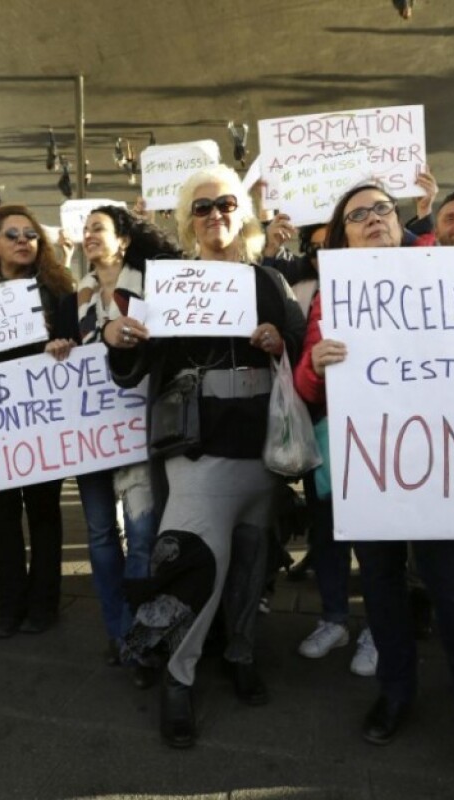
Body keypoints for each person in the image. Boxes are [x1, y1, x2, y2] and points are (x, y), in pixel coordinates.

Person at [293, 180, 454, 798]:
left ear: (400, 221)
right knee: (386, 587)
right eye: (357, 215)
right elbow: (306, 388)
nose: (373, 220)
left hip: (444, 467)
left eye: (381, 210)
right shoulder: (331, 298)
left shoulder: (448, 272)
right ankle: (396, 693)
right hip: (371, 470)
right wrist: (314, 366)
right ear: (342, 236)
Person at [104, 164, 306, 748]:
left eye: (225, 204)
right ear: (187, 221)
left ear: (241, 213)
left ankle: (240, 652)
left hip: (263, 446)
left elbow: (303, 348)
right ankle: (176, 676)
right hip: (197, 447)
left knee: (251, 564)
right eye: (202, 207)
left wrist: (280, 343)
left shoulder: (270, 280)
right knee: (192, 564)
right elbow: (132, 366)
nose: (215, 215)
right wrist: (118, 340)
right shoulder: (162, 281)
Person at [45, 205, 177, 666]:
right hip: (91, 438)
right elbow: (61, 357)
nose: (88, 236)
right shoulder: (71, 302)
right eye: (85, 231)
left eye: (97, 228)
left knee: (142, 538)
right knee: (101, 536)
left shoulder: (152, 289)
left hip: (139, 432)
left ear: (123, 240)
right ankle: (119, 630)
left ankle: (144, 630)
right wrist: (59, 347)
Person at [0, 204, 75, 639]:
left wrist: (62, 342)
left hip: (41, 422)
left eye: (31, 234)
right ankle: (9, 604)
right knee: (0, 520)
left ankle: (43, 603)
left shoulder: (60, 293)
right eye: (13, 235)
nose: (24, 241)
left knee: (44, 516)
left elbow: (76, 353)